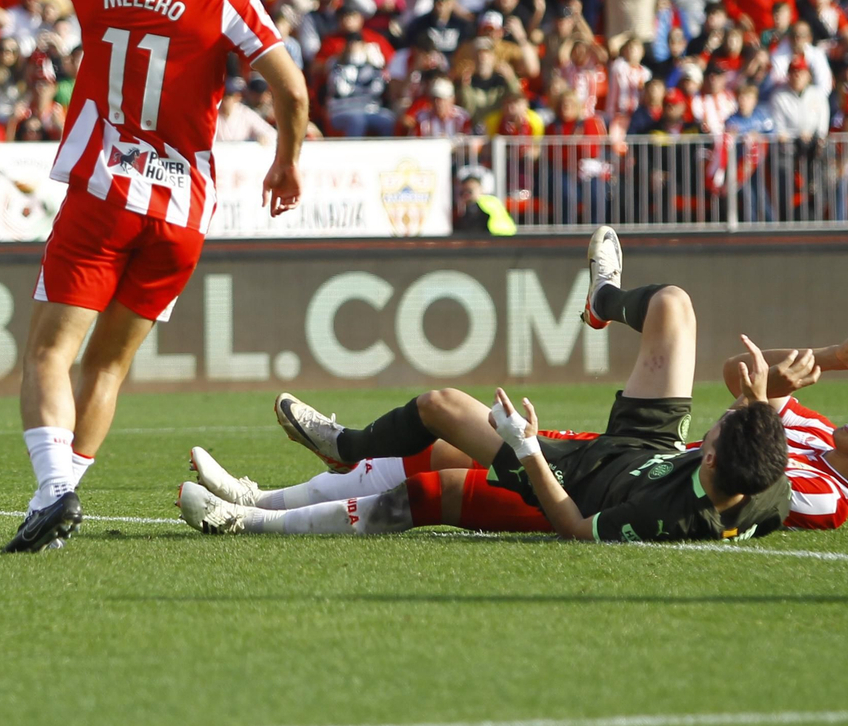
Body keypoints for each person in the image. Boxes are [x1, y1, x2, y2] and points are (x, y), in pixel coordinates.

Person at [3, 0, 310, 553]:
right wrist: (286, 159)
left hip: (105, 193)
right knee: (109, 365)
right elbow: (293, 89)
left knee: (48, 353)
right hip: (181, 213)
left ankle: (55, 490)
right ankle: (56, 503)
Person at [178, 226, 795, 542]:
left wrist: (528, 449)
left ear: (710, 457)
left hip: (576, 481)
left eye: (725, 423)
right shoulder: (767, 491)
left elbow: (575, 527)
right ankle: (602, 298)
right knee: (674, 306)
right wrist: (762, 401)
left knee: (441, 410)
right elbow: (750, 466)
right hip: (649, 446)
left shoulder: (667, 514)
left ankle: (272, 501)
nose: (724, 412)